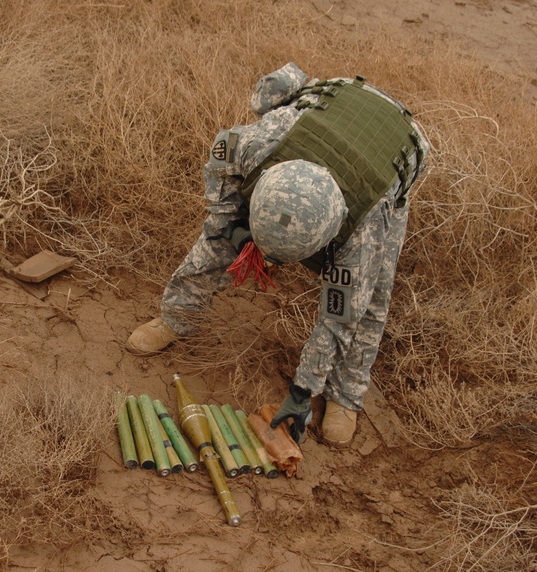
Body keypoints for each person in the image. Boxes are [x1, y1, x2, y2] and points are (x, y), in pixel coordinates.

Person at [127, 63, 429, 448]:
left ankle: (346, 394)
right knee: (217, 239)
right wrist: (232, 227)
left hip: (394, 151)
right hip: (329, 107)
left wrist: (302, 392)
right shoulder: (257, 144)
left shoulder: (363, 230)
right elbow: (219, 166)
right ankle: (177, 315)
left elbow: (338, 318)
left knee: (369, 300)